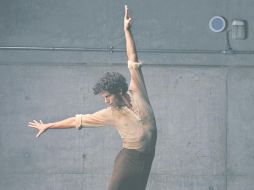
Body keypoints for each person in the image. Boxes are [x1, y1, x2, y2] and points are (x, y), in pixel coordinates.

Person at [28, 5, 157, 190]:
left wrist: (127, 31)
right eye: (104, 97)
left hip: (147, 158)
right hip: (129, 158)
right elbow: (76, 120)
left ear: (119, 90)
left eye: (108, 96)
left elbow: (132, 57)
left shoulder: (137, 90)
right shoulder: (111, 113)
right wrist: (48, 125)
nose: (106, 101)